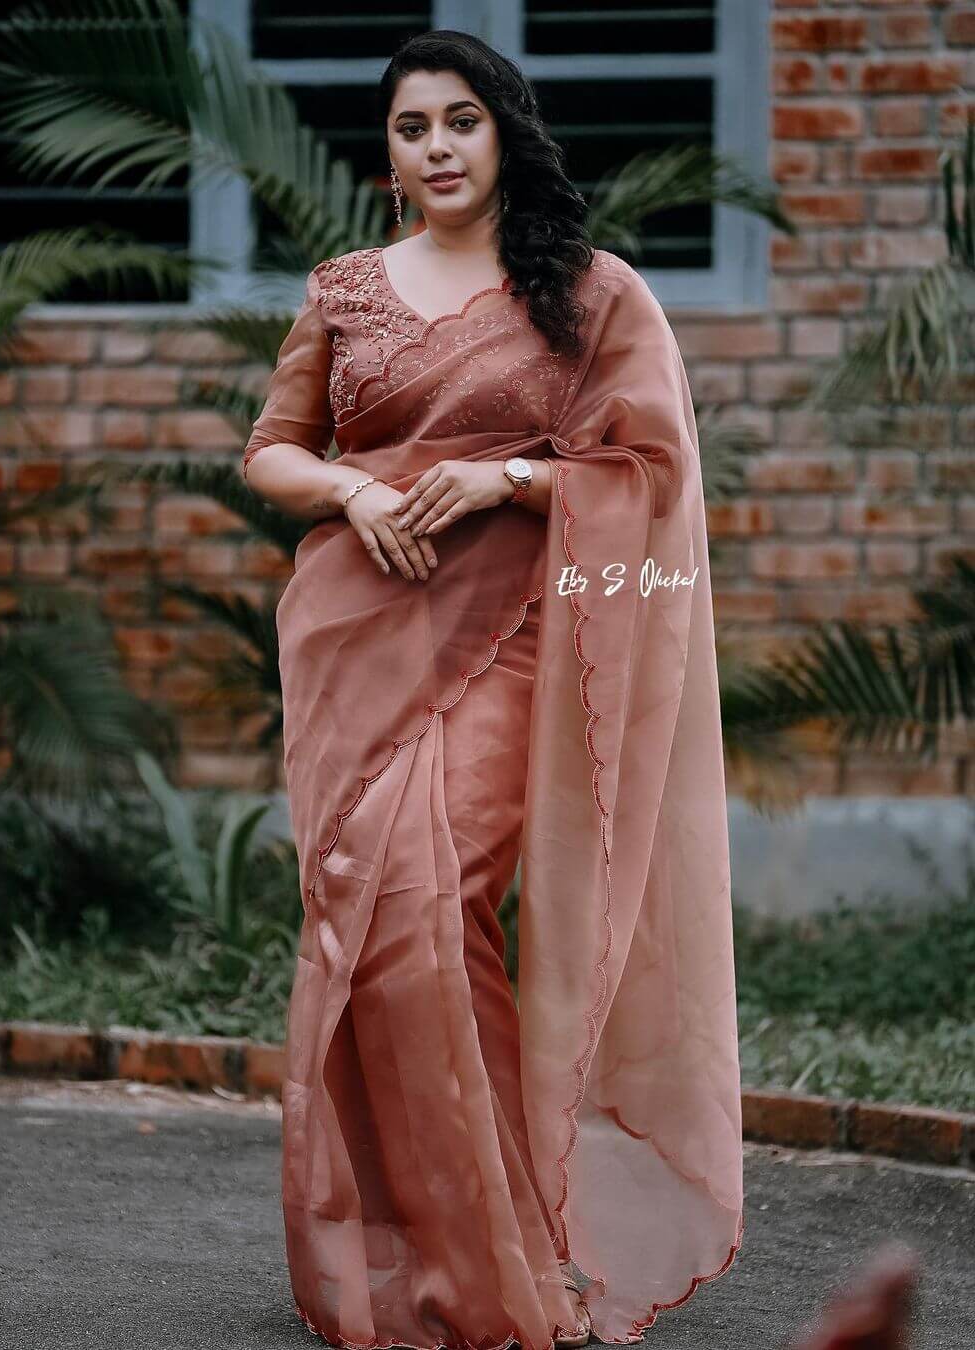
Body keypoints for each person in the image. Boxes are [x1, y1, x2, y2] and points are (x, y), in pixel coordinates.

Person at [240, 28, 744, 1350]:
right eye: (413, 128)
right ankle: (432, 1246)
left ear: (503, 132)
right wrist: (354, 491)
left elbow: (652, 468)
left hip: (518, 626)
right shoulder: (346, 291)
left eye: (462, 120)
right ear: (388, 157)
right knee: (367, 921)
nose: (439, 147)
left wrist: (506, 477)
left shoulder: (588, 290)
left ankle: (506, 1253)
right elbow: (273, 450)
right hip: (357, 636)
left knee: (433, 895)